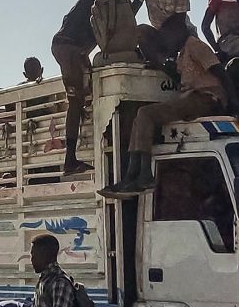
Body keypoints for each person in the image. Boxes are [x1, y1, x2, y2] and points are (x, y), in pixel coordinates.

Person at [99, 17, 231, 198]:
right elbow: (182, 80)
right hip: (193, 97)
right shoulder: (182, 53)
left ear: (177, 33)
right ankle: (131, 176)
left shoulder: (195, 46)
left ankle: (143, 174)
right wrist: (161, 66)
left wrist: (234, 105)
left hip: (206, 99)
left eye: (166, 36)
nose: (165, 41)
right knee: (140, 119)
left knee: (146, 114)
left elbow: (220, 72)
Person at [51, 0, 130, 174]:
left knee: (82, 94)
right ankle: (70, 160)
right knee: (75, 102)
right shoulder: (103, 0)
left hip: (70, 49)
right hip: (70, 49)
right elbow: (109, 34)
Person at [132, 0, 192, 69]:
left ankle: (170, 61)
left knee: (175, 30)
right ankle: (153, 61)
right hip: (159, 34)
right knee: (140, 30)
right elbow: (132, 12)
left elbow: (179, 22)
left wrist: (171, 55)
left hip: (182, 34)